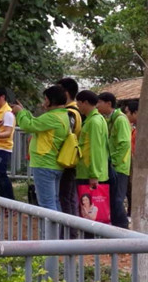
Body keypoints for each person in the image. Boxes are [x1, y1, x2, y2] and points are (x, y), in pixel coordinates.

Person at [12, 85, 70, 211]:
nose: (44, 103)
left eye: (45, 99)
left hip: (44, 164)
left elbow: (29, 126)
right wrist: (24, 111)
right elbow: (36, 123)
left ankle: (49, 231)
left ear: (50, 100)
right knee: (53, 200)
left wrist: (20, 113)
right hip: (53, 163)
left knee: (47, 204)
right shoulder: (61, 115)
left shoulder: (52, 117)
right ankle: (56, 230)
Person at [97, 92, 131, 229]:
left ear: (108, 104)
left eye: (99, 103)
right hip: (112, 165)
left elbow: (124, 143)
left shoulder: (120, 120)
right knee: (112, 198)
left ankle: (123, 228)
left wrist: (115, 161)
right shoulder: (109, 119)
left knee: (117, 199)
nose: (97, 106)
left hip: (119, 167)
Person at [124, 100, 148, 231]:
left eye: (127, 112)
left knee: (146, 203)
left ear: (136, 112)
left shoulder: (144, 130)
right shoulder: (136, 129)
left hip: (144, 170)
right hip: (138, 170)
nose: (126, 115)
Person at [56, 78, 82, 221]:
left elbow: (64, 135)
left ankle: (68, 234)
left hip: (66, 159)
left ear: (65, 92)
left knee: (65, 197)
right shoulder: (76, 110)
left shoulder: (70, 112)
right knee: (70, 197)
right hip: (71, 159)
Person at [75, 90, 109, 190]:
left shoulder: (94, 122)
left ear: (85, 103)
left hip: (89, 173)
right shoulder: (95, 119)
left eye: (79, 103)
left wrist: (94, 174)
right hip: (89, 172)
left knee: (88, 204)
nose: (78, 106)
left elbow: (96, 148)